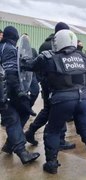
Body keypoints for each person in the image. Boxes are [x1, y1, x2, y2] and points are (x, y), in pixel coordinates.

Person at [21, 29, 86, 174]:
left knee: (52, 131)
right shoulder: (82, 56)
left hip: (62, 100)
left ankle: (52, 164)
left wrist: (21, 59)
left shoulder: (48, 57)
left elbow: (30, 65)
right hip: (83, 99)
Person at [24, 22, 75, 150]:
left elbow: (38, 65)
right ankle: (61, 140)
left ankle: (30, 131)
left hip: (46, 83)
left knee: (47, 110)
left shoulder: (44, 45)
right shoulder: (60, 46)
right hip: (57, 85)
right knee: (60, 110)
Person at [0, 25, 40, 164]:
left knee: (22, 114)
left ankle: (9, 145)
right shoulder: (9, 49)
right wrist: (19, 91)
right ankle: (22, 152)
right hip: (6, 92)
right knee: (12, 119)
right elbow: (10, 73)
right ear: (14, 37)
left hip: (4, 91)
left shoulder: (3, 47)